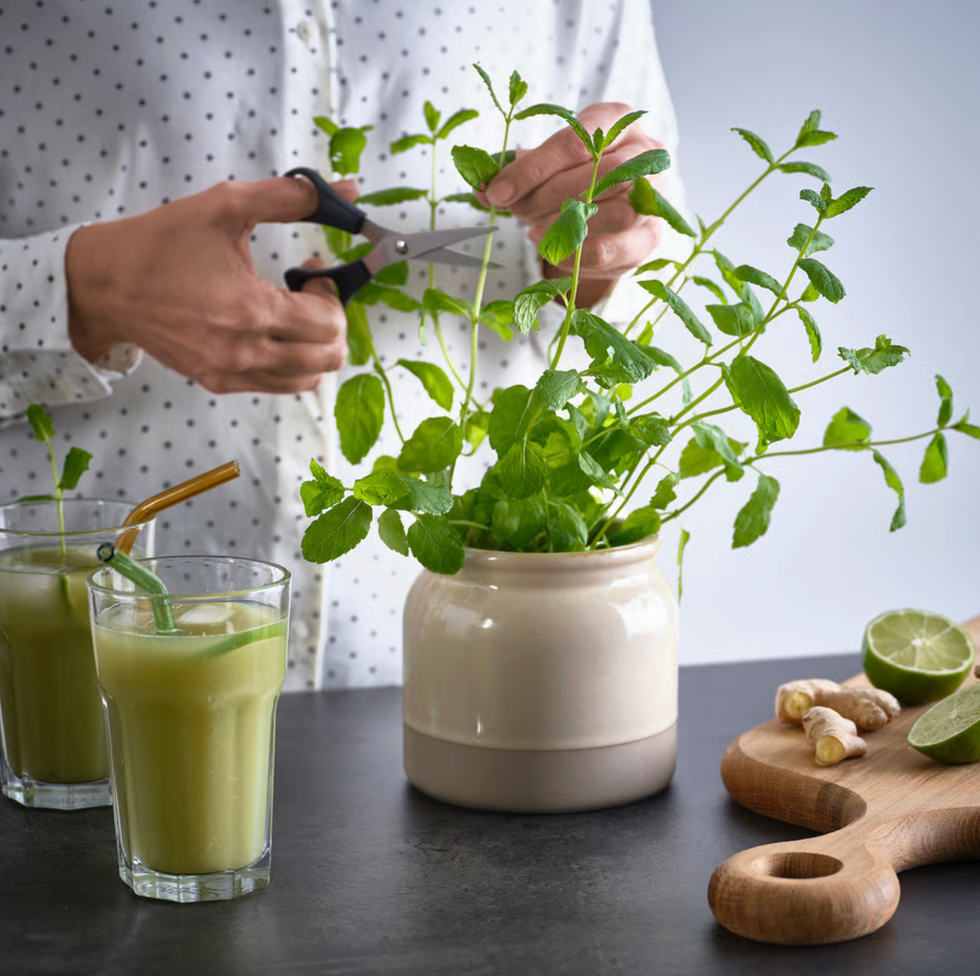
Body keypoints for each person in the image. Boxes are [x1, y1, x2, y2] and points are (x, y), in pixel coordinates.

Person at [0, 0, 685, 690]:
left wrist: (601, 260)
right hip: (68, 678)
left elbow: (658, 267)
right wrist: (88, 289)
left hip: (462, 677)